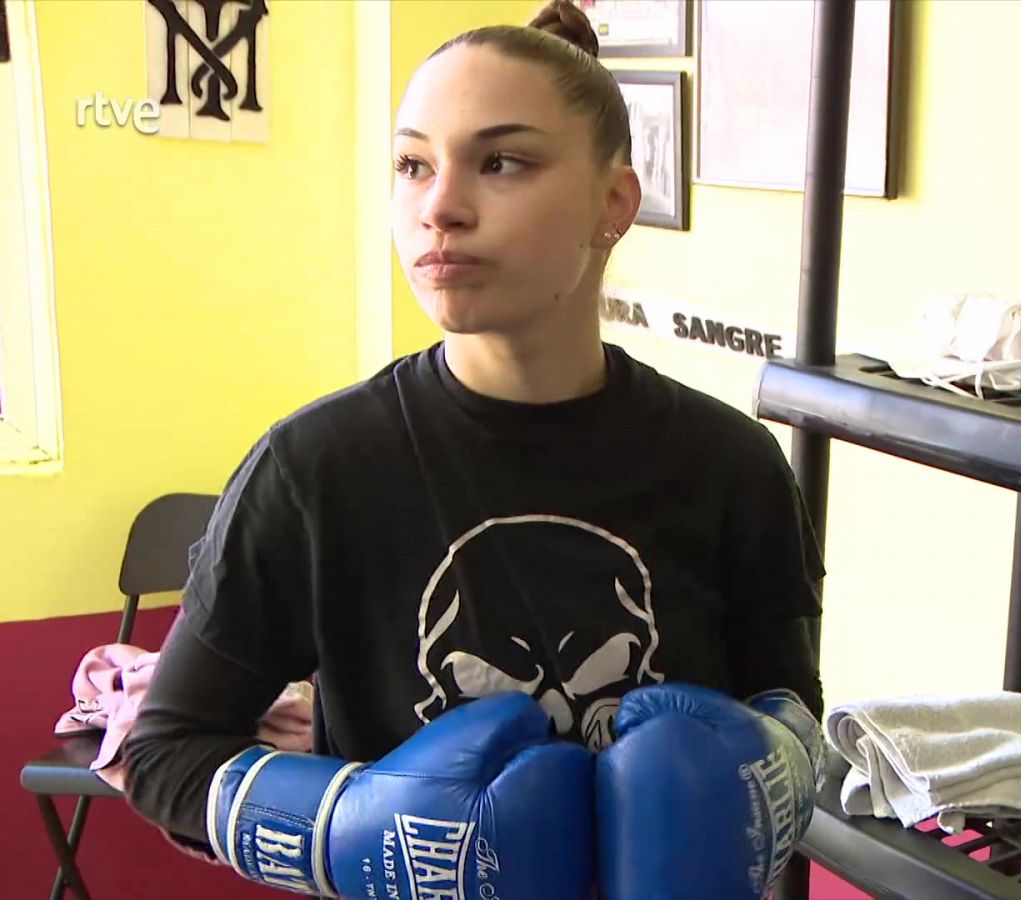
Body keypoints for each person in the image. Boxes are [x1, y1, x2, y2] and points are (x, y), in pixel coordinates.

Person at [121, 2, 826, 898]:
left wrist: (765, 784)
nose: (440, 207)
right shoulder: (316, 469)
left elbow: (796, 708)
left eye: (502, 162)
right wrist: (343, 826)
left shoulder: (733, 465)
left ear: (613, 202)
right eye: (413, 164)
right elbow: (163, 755)